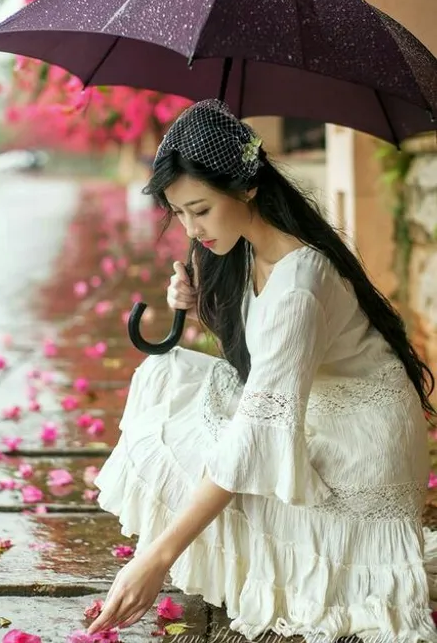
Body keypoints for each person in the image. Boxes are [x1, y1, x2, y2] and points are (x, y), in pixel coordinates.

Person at [89, 99, 437, 643]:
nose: (190, 226)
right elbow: (258, 356)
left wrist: (158, 557)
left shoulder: (300, 285)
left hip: (358, 455)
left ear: (247, 185)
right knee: (166, 378)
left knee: (201, 448)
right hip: (319, 411)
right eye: (179, 213)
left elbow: (256, 434)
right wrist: (202, 297)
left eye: (200, 209)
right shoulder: (252, 247)